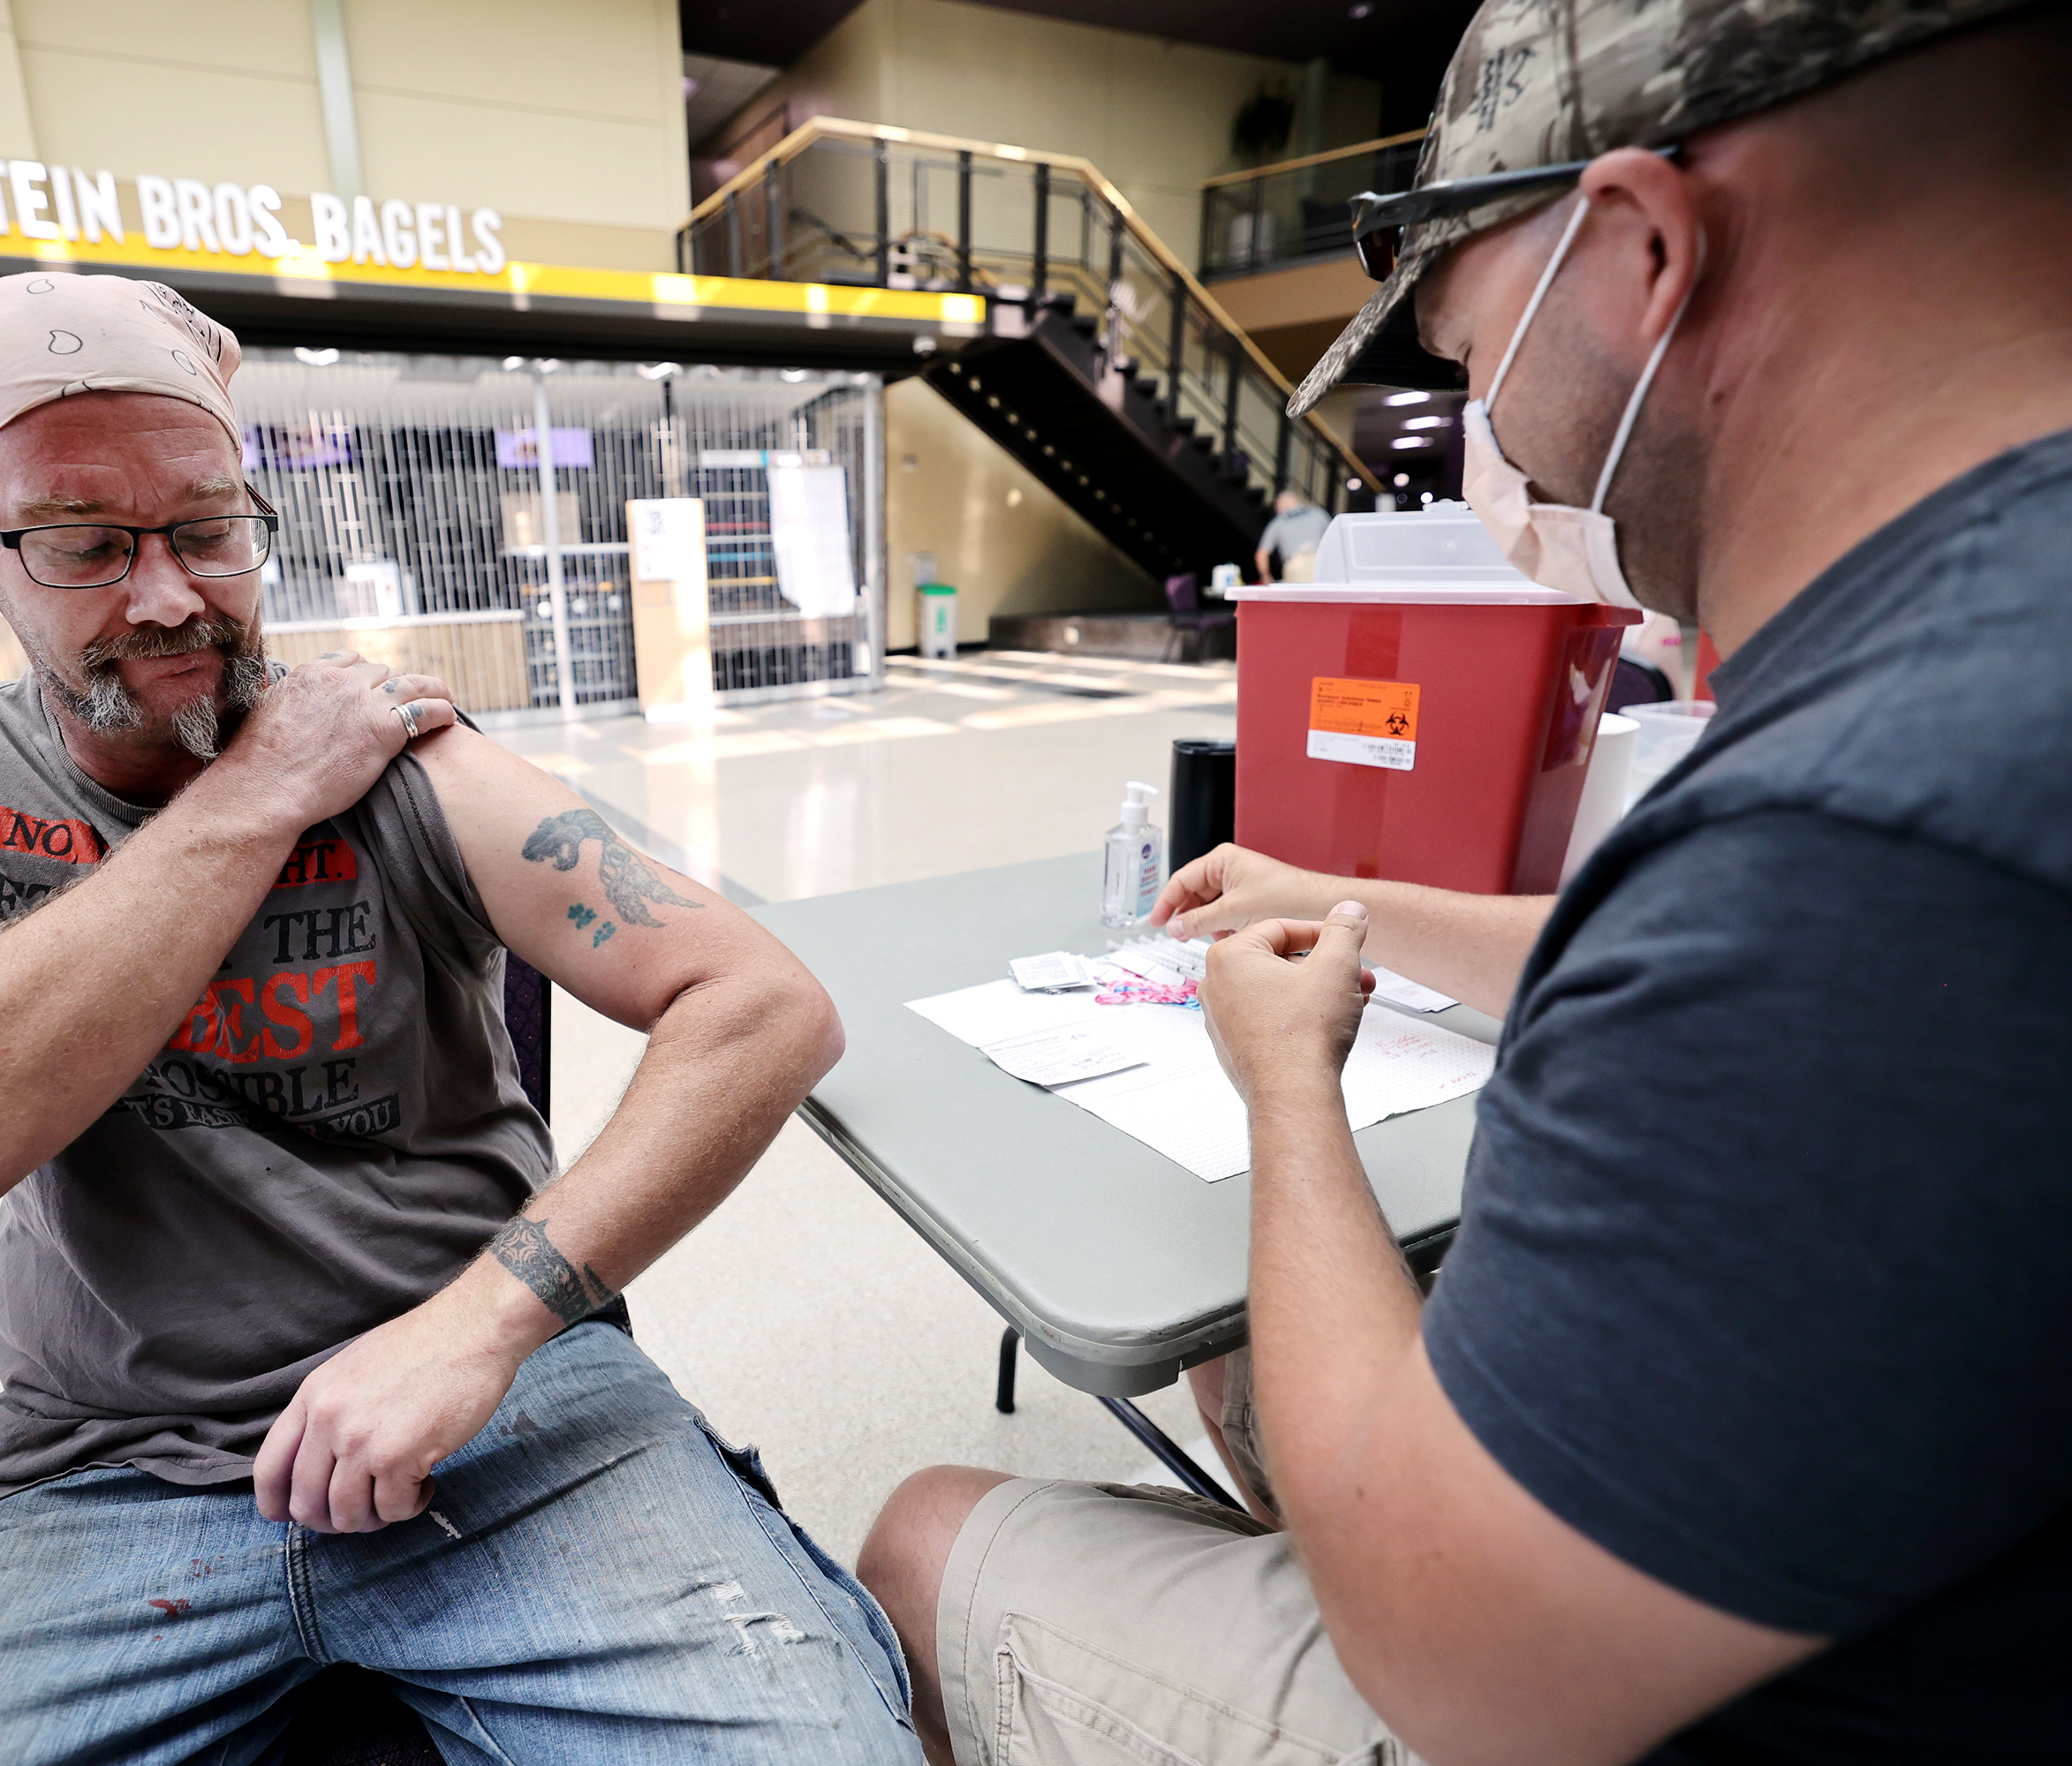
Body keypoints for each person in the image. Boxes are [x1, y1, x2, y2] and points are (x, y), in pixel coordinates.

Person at [856, 1, 2072, 1762]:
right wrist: (1343, 896)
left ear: (1648, 249)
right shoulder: (1957, 651)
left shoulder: (1858, 838)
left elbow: (1462, 1661)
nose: (1482, 417)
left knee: (921, 1537)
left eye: (1476, 339)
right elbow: (1667, 949)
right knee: (1248, 1362)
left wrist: (1287, 1086)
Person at [0, 273, 916, 1764]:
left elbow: (761, 1004)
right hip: (112, 1472)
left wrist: (484, 1326)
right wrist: (254, 795)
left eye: (206, 527)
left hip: (511, 1418)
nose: (171, 594)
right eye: (84, 543)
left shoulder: (403, 760)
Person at [1251, 488, 1330, 583]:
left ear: (1279, 506)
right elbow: (1334, 539)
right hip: (1321, 563)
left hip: (1297, 566)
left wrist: (1266, 576)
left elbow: (1261, 554)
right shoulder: (1319, 513)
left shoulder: (1278, 522)